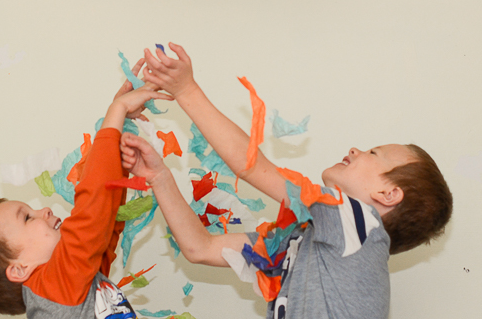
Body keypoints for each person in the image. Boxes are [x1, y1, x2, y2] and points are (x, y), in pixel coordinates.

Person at [121, 43, 452, 319]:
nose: (356, 149)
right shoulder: (302, 240)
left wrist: (186, 90)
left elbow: (251, 166)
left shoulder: (360, 226)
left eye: (373, 153)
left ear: (389, 194)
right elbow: (200, 248)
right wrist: (158, 177)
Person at [0, 61, 172, 318]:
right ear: (20, 269)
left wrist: (117, 126)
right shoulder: (53, 288)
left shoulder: (73, 285)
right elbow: (92, 215)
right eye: (26, 217)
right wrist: (117, 110)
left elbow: (105, 221)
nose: (44, 210)